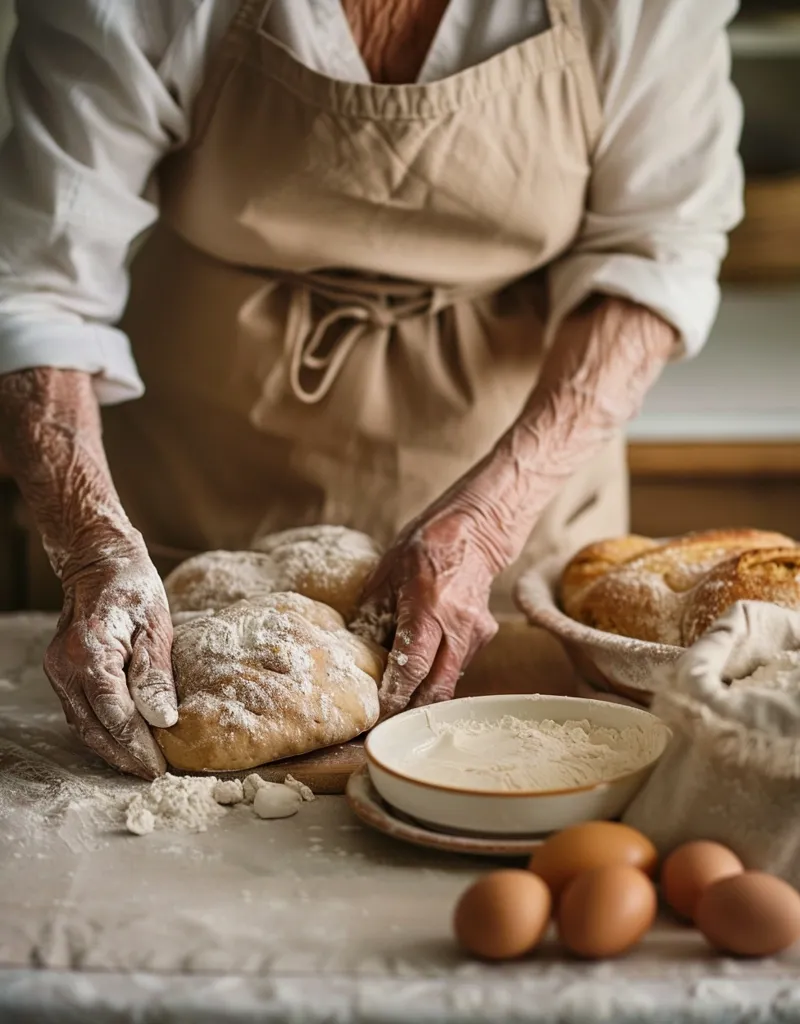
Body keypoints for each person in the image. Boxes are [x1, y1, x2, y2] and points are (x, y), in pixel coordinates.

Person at [0, 0, 742, 779]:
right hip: (204, 470)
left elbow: (660, 252)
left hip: (517, 478)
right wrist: (95, 551)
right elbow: (36, 284)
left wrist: (489, 522)